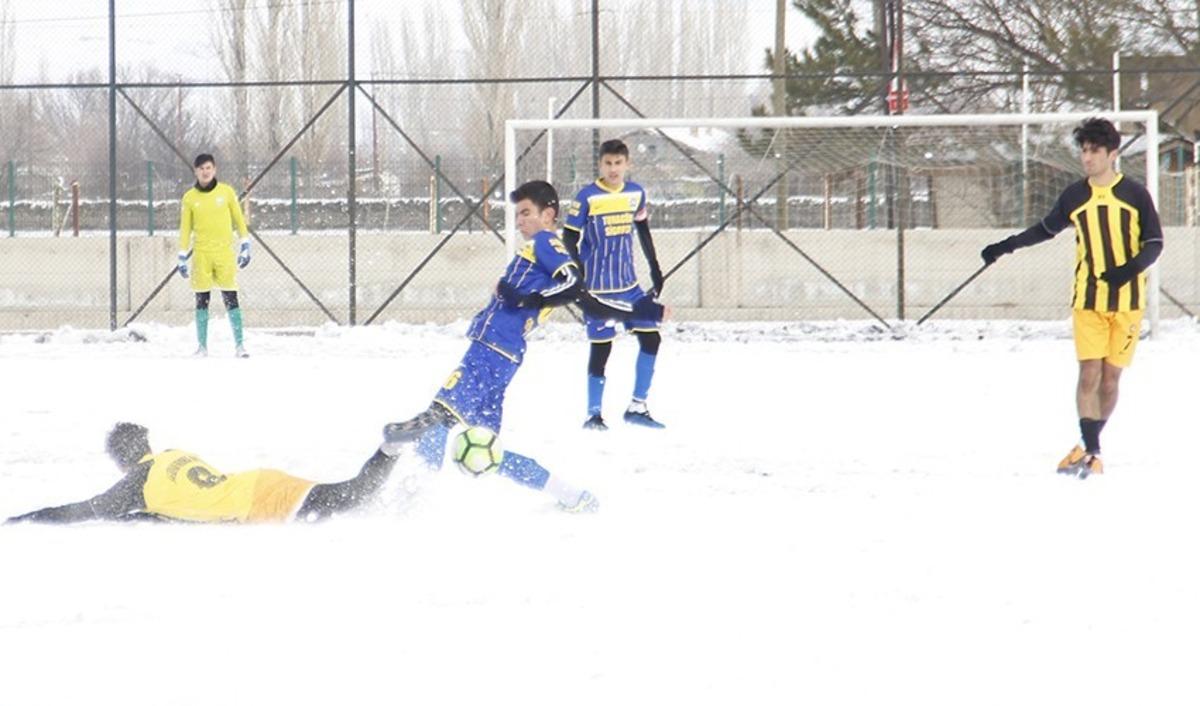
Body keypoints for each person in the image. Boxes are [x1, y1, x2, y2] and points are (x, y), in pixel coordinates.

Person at [381, 180, 666, 512]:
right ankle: (573, 497)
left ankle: (408, 505)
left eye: (527, 213)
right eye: (517, 215)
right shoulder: (545, 250)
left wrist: (530, 297)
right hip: (505, 355)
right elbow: (586, 297)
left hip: (490, 349)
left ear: (549, 215)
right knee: (490, 450)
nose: (520, 222)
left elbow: (574, 284)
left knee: (440, 418)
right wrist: (640, 310)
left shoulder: (545, 242)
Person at [980, 117, 1163, 478]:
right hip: (1088, 301)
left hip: (1127, 303)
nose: (1087, 158)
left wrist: (1129, 269)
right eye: (1083, 151)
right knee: (1088, 375)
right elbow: (1044, 230)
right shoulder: (1075, 196)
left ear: (1112, 154)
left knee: (1110, 381)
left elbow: (1155, 243)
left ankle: (1088, 444)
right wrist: (1005, 246)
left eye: (1094, 151)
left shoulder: (1135, 194)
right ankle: (1093, 450)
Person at [6, 422, 399, 524]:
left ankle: (390, 447)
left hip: (258, 502)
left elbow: (82, 511)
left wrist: (19, 519)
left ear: (121, 462)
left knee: (354, 498)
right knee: (353, 498)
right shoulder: (174, 454)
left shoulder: (136, 487)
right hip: (260, 480)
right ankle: (406, 486)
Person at [562, 139, 667, 431]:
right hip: (598, 290)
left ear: (627, 164)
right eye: (608, 163)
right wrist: (578, 270)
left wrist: (655, 268)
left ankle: (637, 407)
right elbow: (569, 236)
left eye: (618, 163)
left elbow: (643, 230)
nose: (613, 169)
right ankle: (593, 415)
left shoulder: (636, 194)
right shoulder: (587, 197)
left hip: (629, 287)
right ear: (600, 164)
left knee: (651, 339)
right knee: (601, 349)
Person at [178, 153, 253, 358]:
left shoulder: (226, 192)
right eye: (201, 168)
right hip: (202, 255)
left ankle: (240, 346)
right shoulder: (189, 198)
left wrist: (245, 244)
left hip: (224, 254)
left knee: (231, 297)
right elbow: (185, 229)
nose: (205, 171)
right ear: (196, 171)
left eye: (208, 167)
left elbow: (238, 219)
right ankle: (202, 347)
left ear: (215, 169)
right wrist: (182, 254)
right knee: (202, 299)